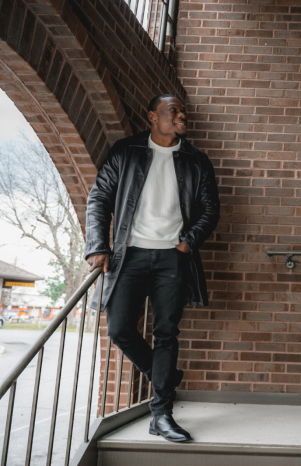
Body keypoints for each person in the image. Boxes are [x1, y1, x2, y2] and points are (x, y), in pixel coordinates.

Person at [85, 94, 220, 442]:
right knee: (118, 328)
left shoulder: (196, 160)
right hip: (128, 255)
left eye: (181, 111)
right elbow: (99, 197)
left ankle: (161, 414)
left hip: (172, 257)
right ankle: (164, 375)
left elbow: (210, 209)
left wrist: (187, 242)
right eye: (172, 110)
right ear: (152, 116)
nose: (180, 115)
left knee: (165, 333)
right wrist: (98, 246)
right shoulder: (126, 151)